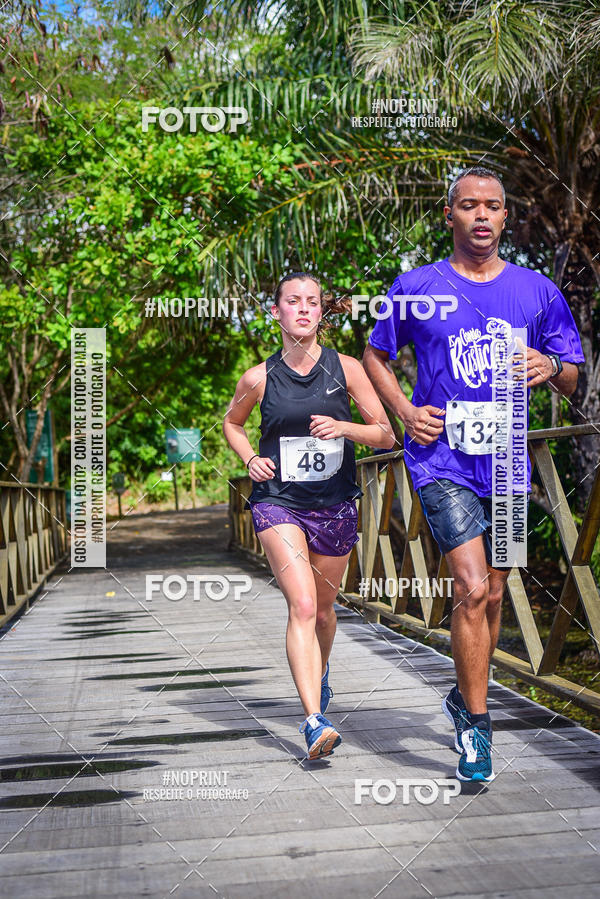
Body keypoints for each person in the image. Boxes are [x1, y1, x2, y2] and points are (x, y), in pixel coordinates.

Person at [363, 166, 585, 782]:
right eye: (469, 205)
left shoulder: (537, 291)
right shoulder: (415, 285)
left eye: (492, 206)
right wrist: (406, 413)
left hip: (511, 460)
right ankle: (478, 730)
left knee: (492, 590)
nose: (481, 215)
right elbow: (373, 356)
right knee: (469, 584)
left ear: (505, 217)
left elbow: (571, 374)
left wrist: (549, 365)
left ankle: (466, 695)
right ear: (450, 216)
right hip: (442, 459)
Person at [223, 272, 395, 760]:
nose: (303, 309)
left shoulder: (346, 370)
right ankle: (313, 720)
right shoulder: (259, 377)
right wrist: (249, 459)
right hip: (278, 501)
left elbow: (384, 434)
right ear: (276, 311)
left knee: (322, 611)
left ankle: (319, 676)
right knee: (300, 605)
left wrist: (343, 426)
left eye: (312, 303)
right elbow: (232, 424)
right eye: (292, 302)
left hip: (335, 505)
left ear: (322, 313)